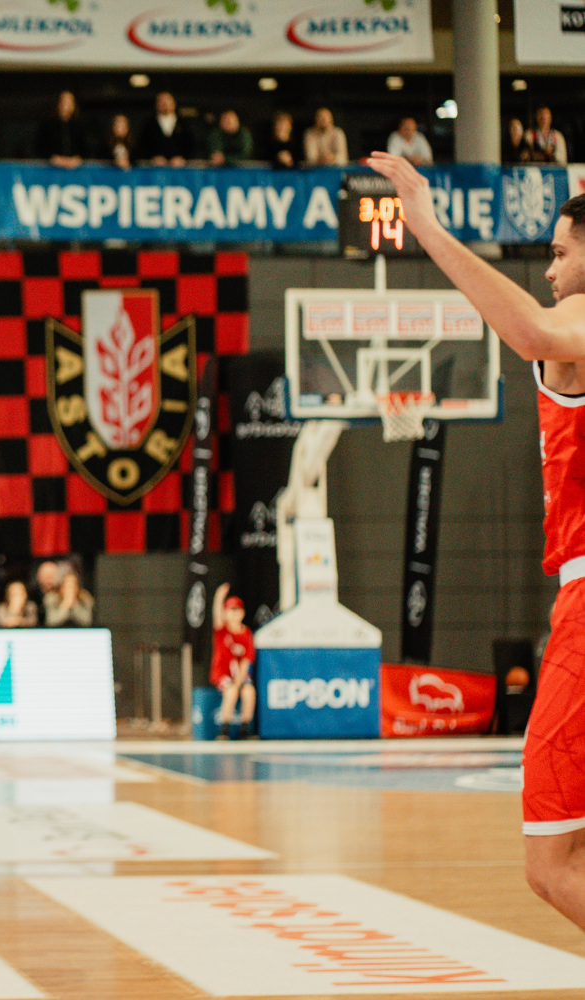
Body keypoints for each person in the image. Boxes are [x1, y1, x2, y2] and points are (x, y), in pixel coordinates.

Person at [368, 147, 585, 939]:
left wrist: (427, 226)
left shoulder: (577, 321)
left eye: (559, 252)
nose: (550, 268)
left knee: (552, 865)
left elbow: (529, 330)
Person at [211, 583, 255, 738]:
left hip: (239, 675)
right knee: (231, 691)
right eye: (231, 611)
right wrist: (219, 597)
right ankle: (224, 729)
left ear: (243, 613)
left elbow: (246, 660)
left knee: (249, 691)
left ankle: (245, 729)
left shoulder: (246, 633)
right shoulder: (222, 630)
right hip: (222, 674)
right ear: (226, 613)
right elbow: (217, 616)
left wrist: (239, 680)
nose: (235, 614)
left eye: (238, 610)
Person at [35, 89, 90, 168]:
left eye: (69, 101)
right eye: (63, 101)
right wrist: (53, 158)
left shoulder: (81, 125)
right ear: (58, 103)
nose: (66, 105)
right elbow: (40, 147)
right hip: (51, 169)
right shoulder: (47, 125)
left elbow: (87, 148)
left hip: (76, 170)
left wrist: (78, 159)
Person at [140, 90, 194, 166]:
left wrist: (182, 158)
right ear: (156, 104)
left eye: (167, 100)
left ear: (174, 103)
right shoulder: (149, 124)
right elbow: (143, 146)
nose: (165, 104)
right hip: (155, 169)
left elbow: (191, 144)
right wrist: (153, 158)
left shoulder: (184, 123)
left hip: (180, 168)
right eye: (161, 101)